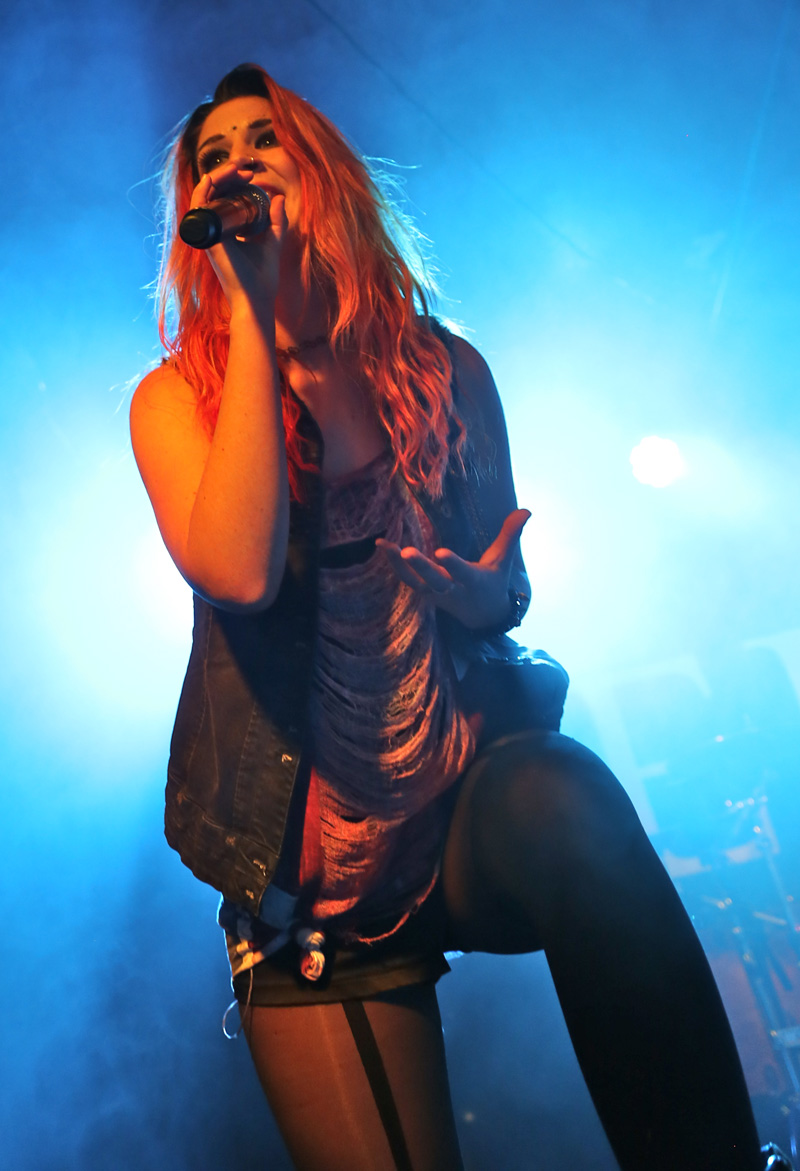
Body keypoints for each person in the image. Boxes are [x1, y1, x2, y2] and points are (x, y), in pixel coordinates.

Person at [130, 63, 787, 1171]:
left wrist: (485, 596)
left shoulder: (441, 367)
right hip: (310, 877)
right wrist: (251, 310)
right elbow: (237, 574)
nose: (236, 164)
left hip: (453, 799)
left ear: (321, 172)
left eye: (262, 140)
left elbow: (506, 582)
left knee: (565, 791)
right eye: (213, 157)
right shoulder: (177, 397)